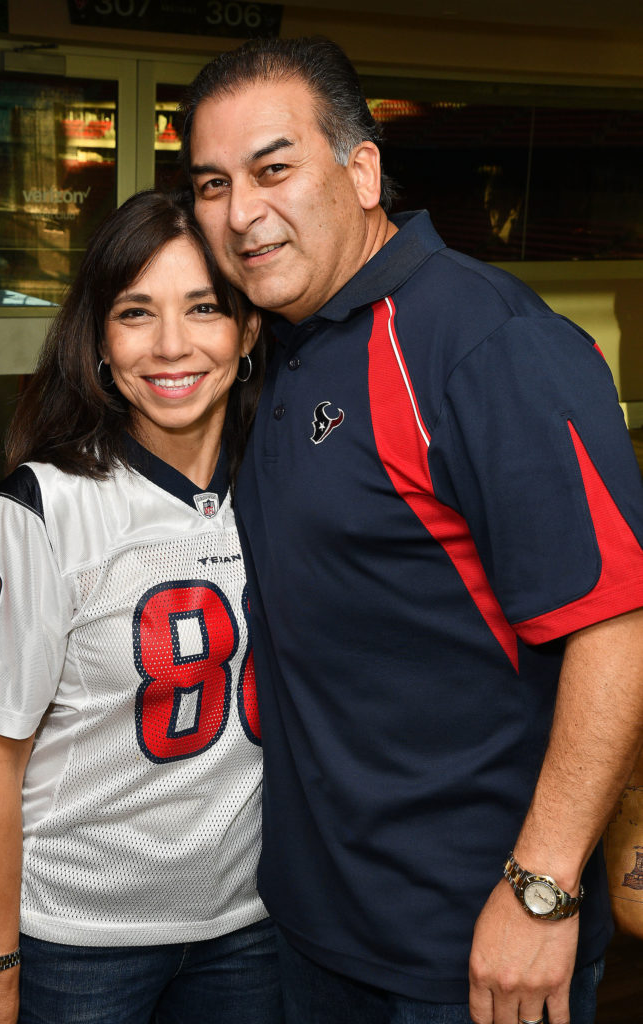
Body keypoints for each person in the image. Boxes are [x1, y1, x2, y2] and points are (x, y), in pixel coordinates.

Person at [178, 36, 643, 1024]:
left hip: (471, 944)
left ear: (360, 169)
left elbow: (616, 629)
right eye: (210, 184)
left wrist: (542, 888)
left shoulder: (482, 341)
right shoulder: (281, 346)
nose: (239, 212)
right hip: (314, 922)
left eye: (273, 168)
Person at [0, 190, 281, 1024]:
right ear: (99, 341)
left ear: (250, 329)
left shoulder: (287, 478)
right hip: (81, 939)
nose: (172, 345)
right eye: (136, 313)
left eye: (204, 307)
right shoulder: (44, 507)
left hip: (256, 924)